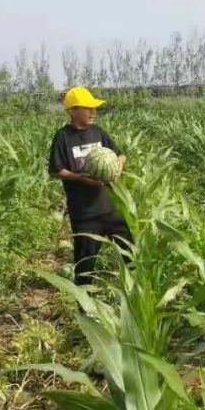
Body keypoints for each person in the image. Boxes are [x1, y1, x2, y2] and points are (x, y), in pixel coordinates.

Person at [48, 86, 132, 286]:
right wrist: (80, 178)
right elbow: (55, 170)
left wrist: (118, 166)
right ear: (73, 111)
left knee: (131, 255)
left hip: (110, 208)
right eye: (87, 108)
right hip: (84, 214)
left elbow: (121, 154)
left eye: (93, 108)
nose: (92, 112)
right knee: (85, 268)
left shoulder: (98, 132)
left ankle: (135, 296)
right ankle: (84, 311)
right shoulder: (63, 137)